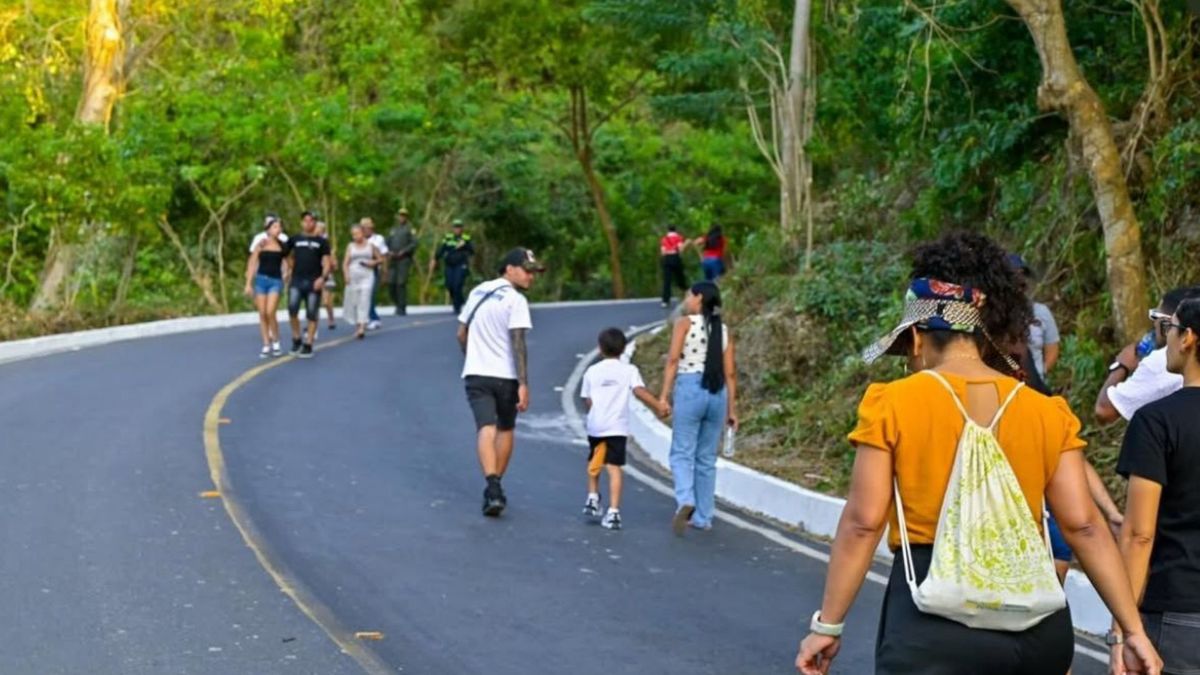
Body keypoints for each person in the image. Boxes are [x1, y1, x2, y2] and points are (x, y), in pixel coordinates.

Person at [793, 231, 1161, 675]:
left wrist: (828, 626)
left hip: (933, 624)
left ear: (914, 337)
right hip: (1037, 629)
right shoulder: (1046, 411)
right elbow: (1085, 526)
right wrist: (1132, 630)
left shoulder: (892, 403)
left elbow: (862, 522)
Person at [1115, 297, 1200, 674]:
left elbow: (1138, 535)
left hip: (1179, 611)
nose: (1166, 338)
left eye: (1172, 328)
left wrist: (1122, 630)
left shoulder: (1156, 422)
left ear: (1189, 339)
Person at [456, 248, 545, 517]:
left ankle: (492, 486)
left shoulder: (478, 292)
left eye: (533, 272)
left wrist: (472, 358)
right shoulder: (515, 300)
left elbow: (461, 333)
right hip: (505, 376)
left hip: (477, 374)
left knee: (485, 427)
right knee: (505, 429)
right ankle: (495, 487)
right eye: (527, 271)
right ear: (509, 269)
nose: (531, 277)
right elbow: (518, 342)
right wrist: (524, 383)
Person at [657, 281, 738, 535]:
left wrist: (663, 396)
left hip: (691, 388)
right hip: (717, 393)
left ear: (699, 298)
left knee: (681, 453)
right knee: (706, 459)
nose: (686, 299)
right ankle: (703, 517)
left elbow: (672, 360)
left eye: (688, 295)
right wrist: (732, 410)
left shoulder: (684, 323)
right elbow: (731, 373)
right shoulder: (722, 330)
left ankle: (686, 500)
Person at [580, 328, 665, 530]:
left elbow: (587, 399)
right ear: (624, 348)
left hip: (596, 426)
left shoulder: (592, 371)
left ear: (600, 349)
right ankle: (614, 512)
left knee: (595, 461)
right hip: (617, 427)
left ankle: (592, 496)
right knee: (614, 468)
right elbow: (639, 392)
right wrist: (658, 406)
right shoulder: (629, 370)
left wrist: (596, 412)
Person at [1095, 287, 1197, 424]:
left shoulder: (1160, 362)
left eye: (1156, 316)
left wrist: (1121, 366)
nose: (1153, 323)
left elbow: (1104, 411)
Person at [282, 211, 332, 358]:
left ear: (315, 223)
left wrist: (322, 278)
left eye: (311, 221)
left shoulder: (322, 242)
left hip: (314, 281)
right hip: (297, 280)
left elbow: (327, 262)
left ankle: (308, 343)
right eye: (305, 221)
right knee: (292, 309)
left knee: (312, 313)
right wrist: (290, 267)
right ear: (301, 222)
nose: (308, 223)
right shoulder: (295, 239)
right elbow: (284, 253)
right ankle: (297, 338)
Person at [1009, 254, 1060, 381]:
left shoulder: (1041, 312)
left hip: (1034, 387)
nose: (1020, 280)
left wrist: (1040, 372)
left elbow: (1052, 347)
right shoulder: (994, 314)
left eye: (1023, 275)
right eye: (1014, 275)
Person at [244, 215, 287, 358]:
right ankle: (266, 344)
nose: (278, 229)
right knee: (262, 313)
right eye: (275, 227)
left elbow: (290, 262)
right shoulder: (261, 244)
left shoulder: (282, 245)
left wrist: (288, 274)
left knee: (270, 312)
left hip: (276, 281)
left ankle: (276, 341)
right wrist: (248, 283)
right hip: (261, 280)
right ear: (268, 229)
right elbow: (252, 263)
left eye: (279, 227)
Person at [342, 223, 383, 340]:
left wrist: (373, 263)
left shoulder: (371, 246)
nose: (356, 236)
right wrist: (346, 275)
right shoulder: (350, 246)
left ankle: (362, 328)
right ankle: (358, 324)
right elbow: (345, 263)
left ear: (363, 233)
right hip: (353, 275)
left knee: (364, 300)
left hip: (367, 276)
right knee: (354, 301)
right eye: (353, 234)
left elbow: (381, 259)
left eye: (358, 233)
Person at [434, 218, 475, 314]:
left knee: (457, 285)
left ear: (462, 228)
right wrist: (435, 259)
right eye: (455, 227)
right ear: (453, 228)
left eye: (459, 227)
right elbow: (442, 249)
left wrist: (464, 245)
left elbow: (472, 251)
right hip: (449, 264)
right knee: (449, 285)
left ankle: (457, 307)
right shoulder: (448, 237)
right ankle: (459, 300)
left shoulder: (466, 238)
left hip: (461, 265)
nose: (457, 229)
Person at [387, 207, 418, 316]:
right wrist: (389, 251)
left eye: (404, 215)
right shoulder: (393, 229)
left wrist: (404, 251)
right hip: (393, 259)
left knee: (401, 283)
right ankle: (396, 303)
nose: (401, 217)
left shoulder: (410, 229)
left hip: (404, 259)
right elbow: (387, 242)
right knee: (391, 283)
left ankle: (402, 307)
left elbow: (414, 243)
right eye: (400, 215)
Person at [361, 217, 389, 330]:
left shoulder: (378, 239)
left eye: (365, 228)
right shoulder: (359, 239)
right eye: (362, 228)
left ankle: (375, 319)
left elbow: (384, 255)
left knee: (370, 295)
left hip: (374, 269)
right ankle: (368, 317)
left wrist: (385, 272)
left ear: (370, 228)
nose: (363, 230)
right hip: (361, 271)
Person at [315, 220, 338, 331]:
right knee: (314, 301)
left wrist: (332, 263)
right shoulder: (312, 244)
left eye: (319, 229)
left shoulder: (327, 246)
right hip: (314, 275)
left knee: (326, 302)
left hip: (327, 276)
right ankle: (312, 322)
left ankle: (331, 318)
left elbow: (335, 265)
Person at [660, 224, 689, 307]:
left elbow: (662, 252)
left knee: (667, 281)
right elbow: (680, 249)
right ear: (675, 230)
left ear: (668, 230)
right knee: (680, 278)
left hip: (667, 259)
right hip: (676, 258)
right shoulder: (678, 237)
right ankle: (687, 294)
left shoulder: (664, 239)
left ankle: (665, 301)